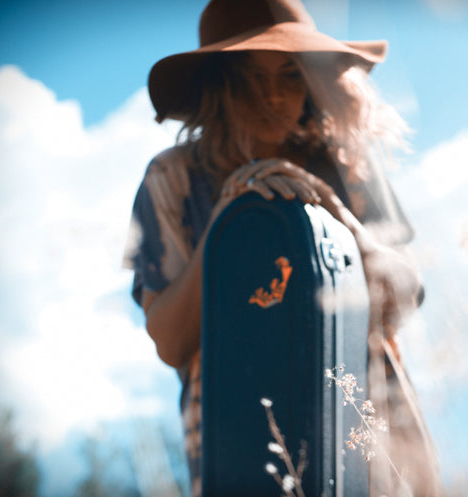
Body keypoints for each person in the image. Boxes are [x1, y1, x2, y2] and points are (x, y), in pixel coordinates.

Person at [123, 0, 443, 495]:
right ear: (219, 84)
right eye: (251, 79)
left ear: (315, 82)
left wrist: (340, 221)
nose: (272, 96)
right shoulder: (173, 177)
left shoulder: (348, 165)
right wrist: (228, 219)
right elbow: (168, 341)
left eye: (291, 75)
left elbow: (406, 296)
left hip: (369, 426)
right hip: (239, 436)